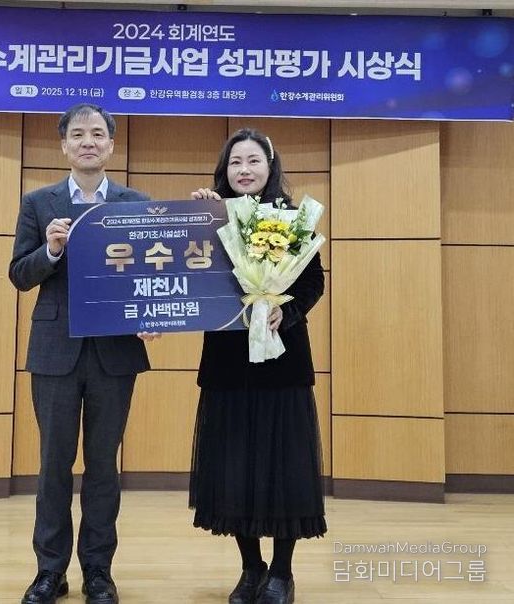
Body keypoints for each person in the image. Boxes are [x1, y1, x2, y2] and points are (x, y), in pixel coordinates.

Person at [10, 103, 157, 604]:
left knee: (103, 466)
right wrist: (50, 251)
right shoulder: (38, 203)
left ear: (111, 145)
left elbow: (151, 275)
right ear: (64, 146)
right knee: (53, 464)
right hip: (55, 351)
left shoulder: (136, 203)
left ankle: (98, 570)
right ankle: (49, 571)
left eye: (97, 133)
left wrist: (150, 315)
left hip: (115, 353)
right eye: (78, 134)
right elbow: (19, 274)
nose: (88, 141)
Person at [189, 128, 327, 604]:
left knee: (284, 466)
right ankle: (251, 568)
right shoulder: (210, 216)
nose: (244, 170)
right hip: (227, 362)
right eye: (235, 162)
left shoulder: (293, 219)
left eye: (253, 161)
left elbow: (312, 282)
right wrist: (198, 216)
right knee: (233, 468)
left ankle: (282, 573)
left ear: (270, 167)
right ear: (224, 170)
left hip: (282, 360)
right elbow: (188, 274)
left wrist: (287, 311)